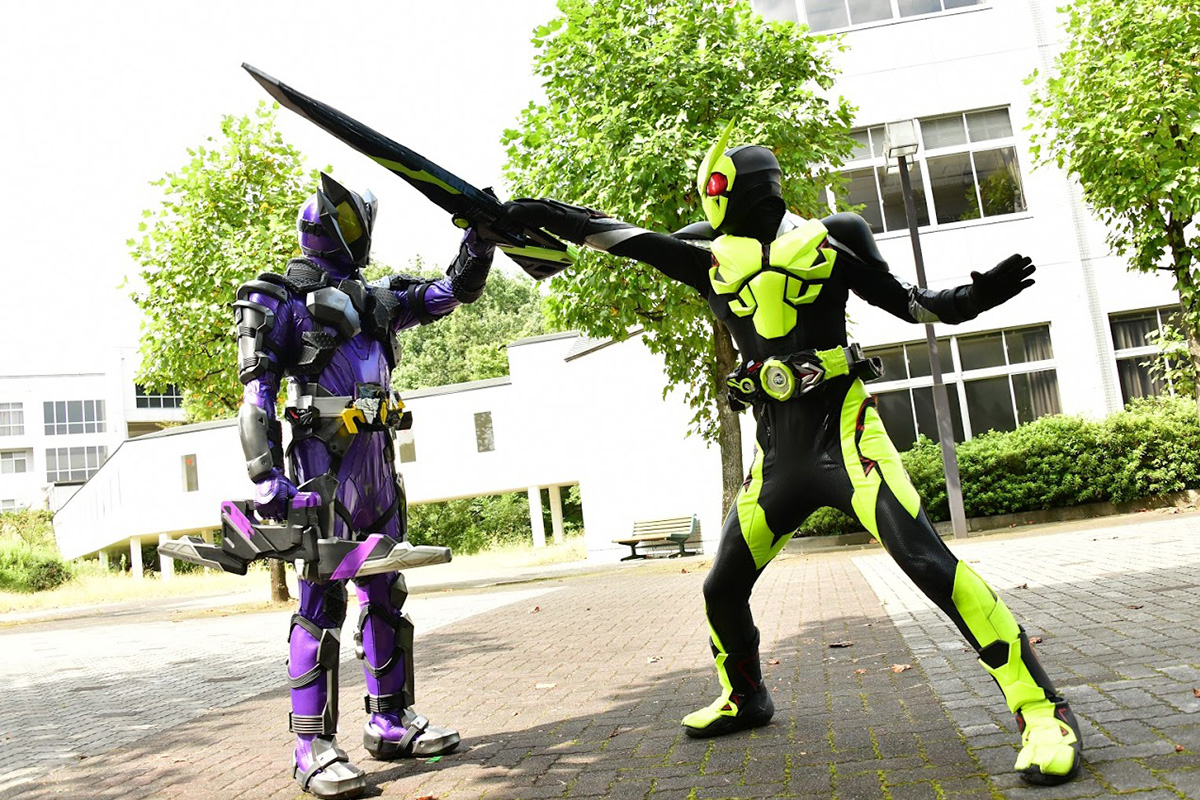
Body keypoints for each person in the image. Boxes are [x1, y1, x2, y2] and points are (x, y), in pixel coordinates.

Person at [499, 124, 1082, 785]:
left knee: (927, 563)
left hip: (848, 441)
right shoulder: (709, 257)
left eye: (716, 190)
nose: (710, 202)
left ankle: (1042, 709)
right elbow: (617, 235)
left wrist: (973, 299)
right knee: (722, 588)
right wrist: (534, 214)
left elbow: (912, 303)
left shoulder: (830, 241)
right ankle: (745, 695)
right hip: (776, 459)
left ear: (741, 191)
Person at [236, 173, 494, 799]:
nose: (356, 231)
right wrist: (266, 475)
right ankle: (311, 747)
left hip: (377, 469)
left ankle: (390, 721)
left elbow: (453, 291)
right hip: (322, 470)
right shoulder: (277, 300)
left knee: (386, 593)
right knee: (320, 604)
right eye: (350, 222)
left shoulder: (378, 300)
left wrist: (481, 239)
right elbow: (256, 395)